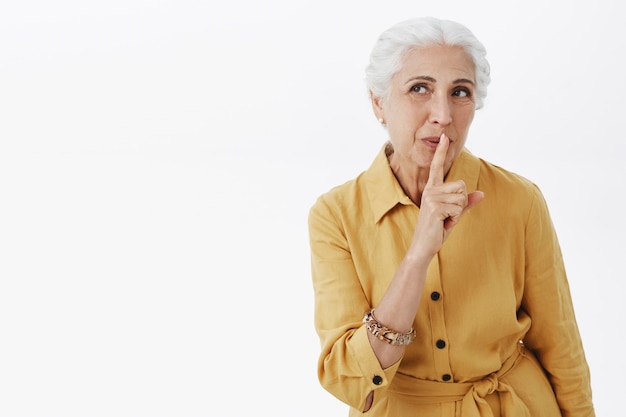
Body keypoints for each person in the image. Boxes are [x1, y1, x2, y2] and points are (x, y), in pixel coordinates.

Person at [308, 16, 595, 417]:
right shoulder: (335, 215)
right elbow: (351, 381)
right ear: (378, 101)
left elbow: (561, 345)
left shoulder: (520, 200)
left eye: (460, 92)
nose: (442, 114)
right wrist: (418, 254)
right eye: (419, 88)